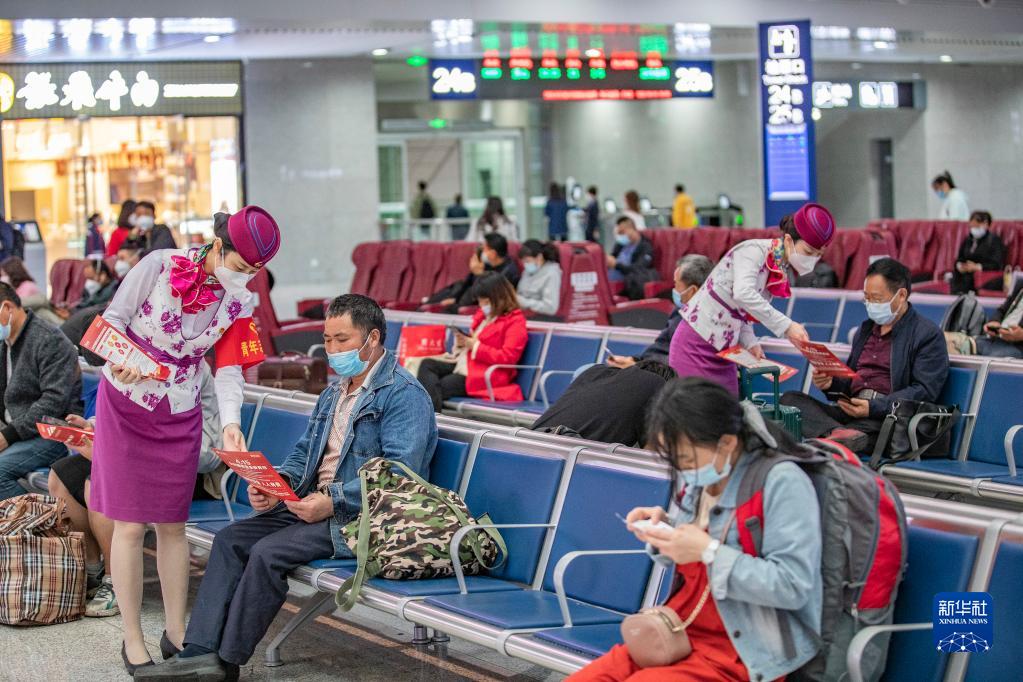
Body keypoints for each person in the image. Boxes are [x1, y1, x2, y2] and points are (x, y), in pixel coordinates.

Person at [140, 294, 437, 680]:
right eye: (327, 340)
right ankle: (197, 652)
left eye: (342, 340)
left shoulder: (404, 396)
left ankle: (224, 663)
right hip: (311, 505)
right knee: (231, 540)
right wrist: (276, 485)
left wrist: (331, 502)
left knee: (267, 552)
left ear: (373, 338)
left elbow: (398, 475)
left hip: (358, 520)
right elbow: (303, 454)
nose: (333, 350)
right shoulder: (334, 393)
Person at [89, 206, 281, 673]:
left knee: (173, 526)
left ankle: (176, 633)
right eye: (241, 266)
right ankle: (132, 639)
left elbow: (230, 370)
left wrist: (231, 423)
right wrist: (119, 359)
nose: (246, 277)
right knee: (130, 525)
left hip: (180, 410)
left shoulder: (240, 301)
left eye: (254, 271)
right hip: (127, 403)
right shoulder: (158, 265)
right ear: (218, 246)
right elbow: (112, 321)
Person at [569, 377, 822, 682]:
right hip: (680, 633)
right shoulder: (702, 477)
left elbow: (793, 587)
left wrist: (709, 551)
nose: (683, 470)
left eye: (687, 460)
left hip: (742, 653)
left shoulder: (782, 482)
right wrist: (665, 531)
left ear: (727, 443)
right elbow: (691, 552)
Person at [47, 362, 227, 619]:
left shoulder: (193, 367)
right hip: (130, 452)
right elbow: (122, 412)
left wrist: (119, 453)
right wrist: (92, 428)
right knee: (61, 475)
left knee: (98, 483)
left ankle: (114, 580)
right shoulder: (129, 359)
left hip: (186, 467)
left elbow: (208, 455)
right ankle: (92, 568)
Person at [781, 258, 949, 454]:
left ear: (901, 295)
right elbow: (852, 380)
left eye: (876, 299)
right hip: (853, 412)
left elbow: (924, 391)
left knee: (864, 431)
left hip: (888, 419)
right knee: (790, 400)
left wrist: (873, 407)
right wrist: (831, 384)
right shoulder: (866, 329)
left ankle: (836, 437)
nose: (870, 304)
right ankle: (838, 435)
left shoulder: (926, 334)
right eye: (866, 298)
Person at [669, 203, 836, 395]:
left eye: (818, 255)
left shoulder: (778, 267)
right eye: (808, 252)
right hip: (695, 344)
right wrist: (787, 326)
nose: (812, 259)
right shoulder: (753, 251)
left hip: (725, 351)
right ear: (789, 240)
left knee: (727, 408)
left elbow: (741, 312)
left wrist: (750, 343)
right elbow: (743, 293)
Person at [0, 282, 84, 501]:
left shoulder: (48, 340)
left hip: (52, 434)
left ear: (7, 308)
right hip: (17, 430)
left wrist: (8, 436)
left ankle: (38, 518)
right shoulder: (6, 343)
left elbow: (53, 402)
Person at [416, 273, 528, 411]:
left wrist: (475, 346)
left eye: (485, 301)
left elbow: (508, 357)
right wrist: (462, 343)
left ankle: (427, 418)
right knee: (427, 364)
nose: (481, 305)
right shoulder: (484, 317)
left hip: (485, 373)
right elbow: (474, 341)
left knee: (436, 386)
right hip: (466, 364)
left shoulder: (515, 322)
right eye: (480, 301)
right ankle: (429, 416)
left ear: (499, 298)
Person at [532, 360, 677, 446]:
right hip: (571, 455)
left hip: (530, 439)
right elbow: (654, 450)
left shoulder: (593, 371)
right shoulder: (658, 386)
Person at [609, 255, 713, 368]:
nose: (673, 289)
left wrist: (640, 366)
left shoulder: (708, 325)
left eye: (676, 284)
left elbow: (681, 362)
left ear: (692, 291)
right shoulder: (679, 311)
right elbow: (660, 344)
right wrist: (635, 359)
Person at [424, 233, 521, 313]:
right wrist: (456, 298)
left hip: (479, 304)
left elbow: (488, 294)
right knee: (457, 286)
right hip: (466, 297)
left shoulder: (509, 272)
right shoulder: (488, 264)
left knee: (448, 310)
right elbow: (468, 283)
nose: (481, 252)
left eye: (484, 249)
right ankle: (426, 304)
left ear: (493, 253)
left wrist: (479, 274)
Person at [951, 211, 1005, 295]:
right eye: (972, 226)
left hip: (982, 274)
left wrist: (977, 267)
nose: (974, 229)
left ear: (986, 224)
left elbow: (996, 264)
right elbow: (960, 258)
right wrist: (960, 265)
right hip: (964, 274)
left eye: (977, 226)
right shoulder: (968, 239)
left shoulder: (993, 241)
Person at [606, 217, 658, 301]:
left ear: (632, 229)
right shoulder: (620, 245)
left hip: (628, 282)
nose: (620, 236)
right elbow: (613, 256)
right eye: (618, 234)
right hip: (609, 278)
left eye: (622, 232)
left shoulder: (645, 247)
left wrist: (616, 265)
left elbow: (638, 268)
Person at [516, 240, 562, 317]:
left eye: (527, 261)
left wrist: (524, 302)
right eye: (523, 262)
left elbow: (550, 308)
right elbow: (521, 291)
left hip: (540, 318)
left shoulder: (552, 273)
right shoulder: (528, 271)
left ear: (539, 257)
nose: (525, 264)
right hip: (523, 313)